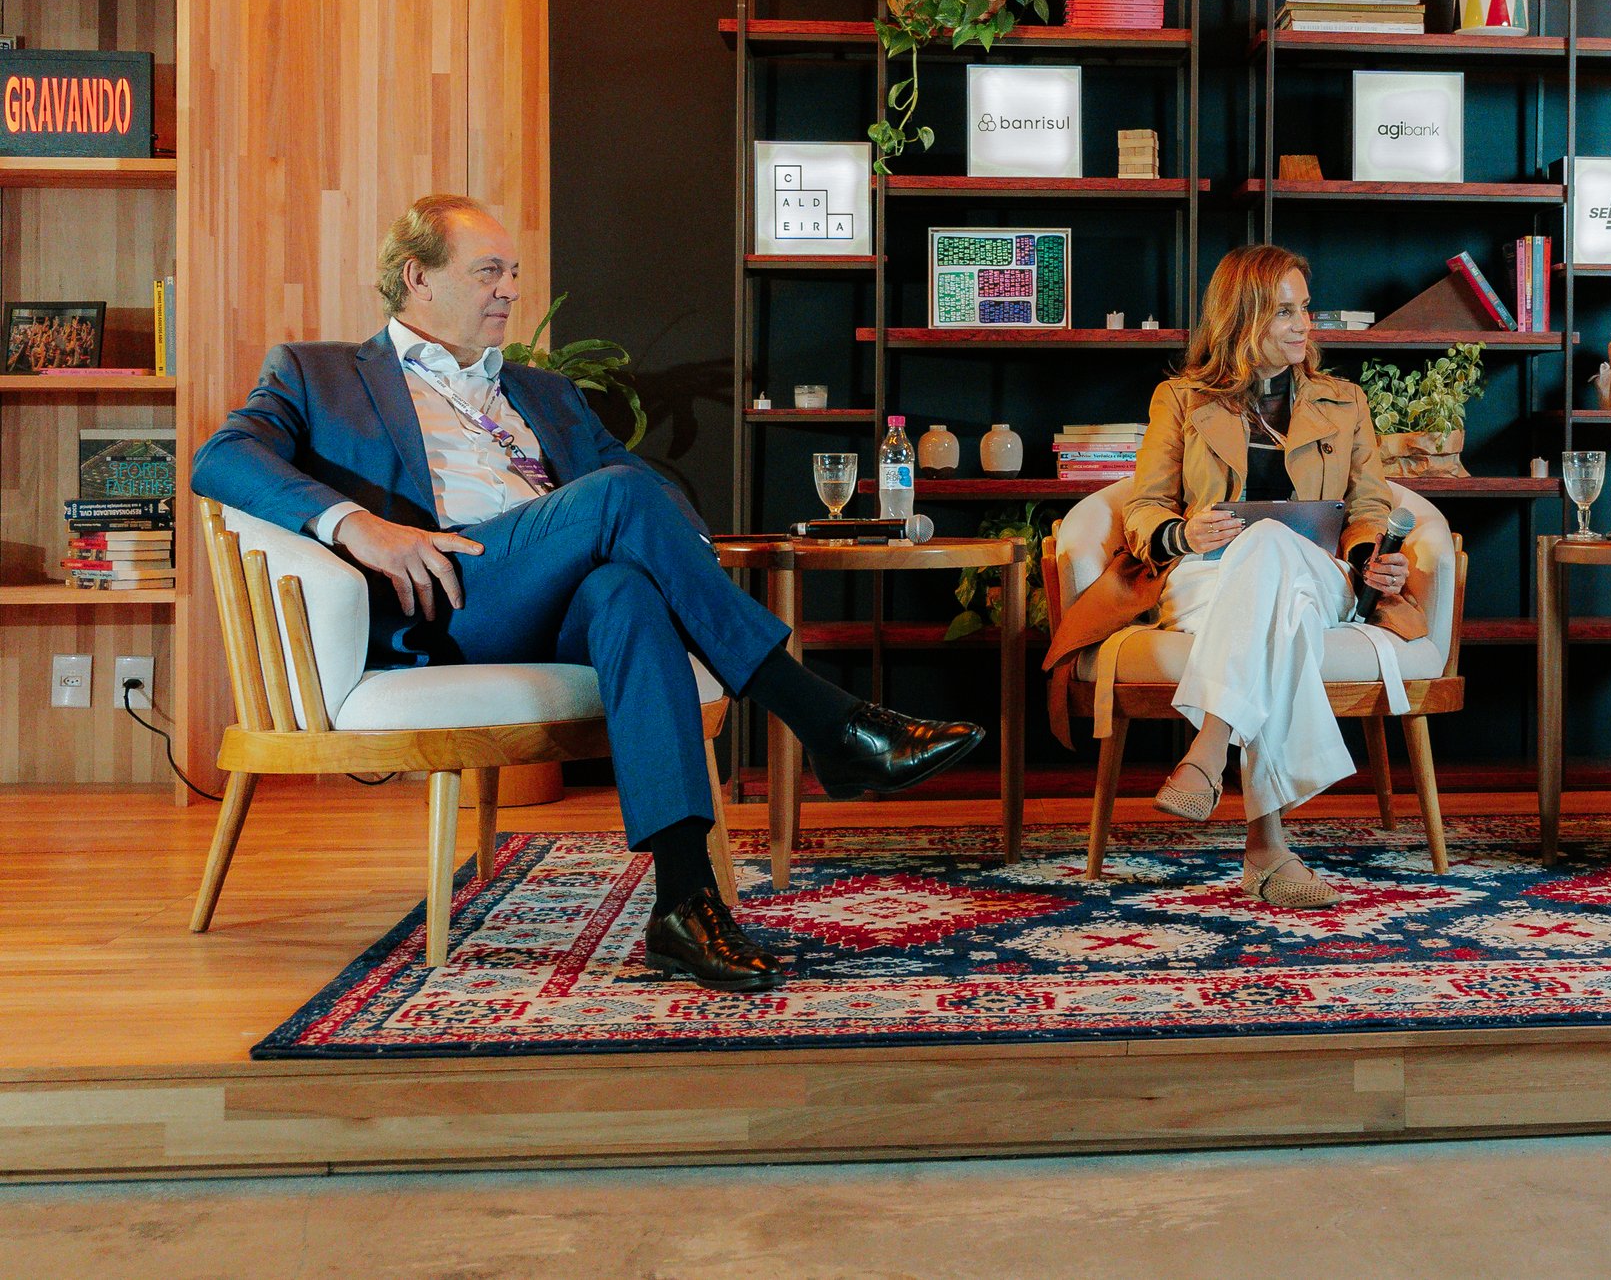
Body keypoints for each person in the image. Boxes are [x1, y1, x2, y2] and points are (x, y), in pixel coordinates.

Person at [192, 194, 986, 992]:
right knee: (615, 499)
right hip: (451, 594)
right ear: (417, 278)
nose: (510, 289)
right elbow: (221, 458)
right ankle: (826, 719)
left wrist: (678, 555)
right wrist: (356, 525)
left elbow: (648, 488)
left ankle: (684, 903)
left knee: (627, 593)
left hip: (563, 590)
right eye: (488, 271)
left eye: (512, 272)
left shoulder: (543, 391)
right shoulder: (320, 373)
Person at [1046, 245, 1426, 908]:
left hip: (1321, 576)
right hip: (1208, 579)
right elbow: (1144, 505)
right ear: (1242, 315)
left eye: (1305, 308)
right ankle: (1265, 847)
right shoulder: (1181, 399)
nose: (1303, 324)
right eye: (1284, 311)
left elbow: (1368, 507)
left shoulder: (1345, 402)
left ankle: (1209, 743)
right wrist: (1183, 533)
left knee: (1273, 543)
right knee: (1278, 606)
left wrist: (1373, 554)